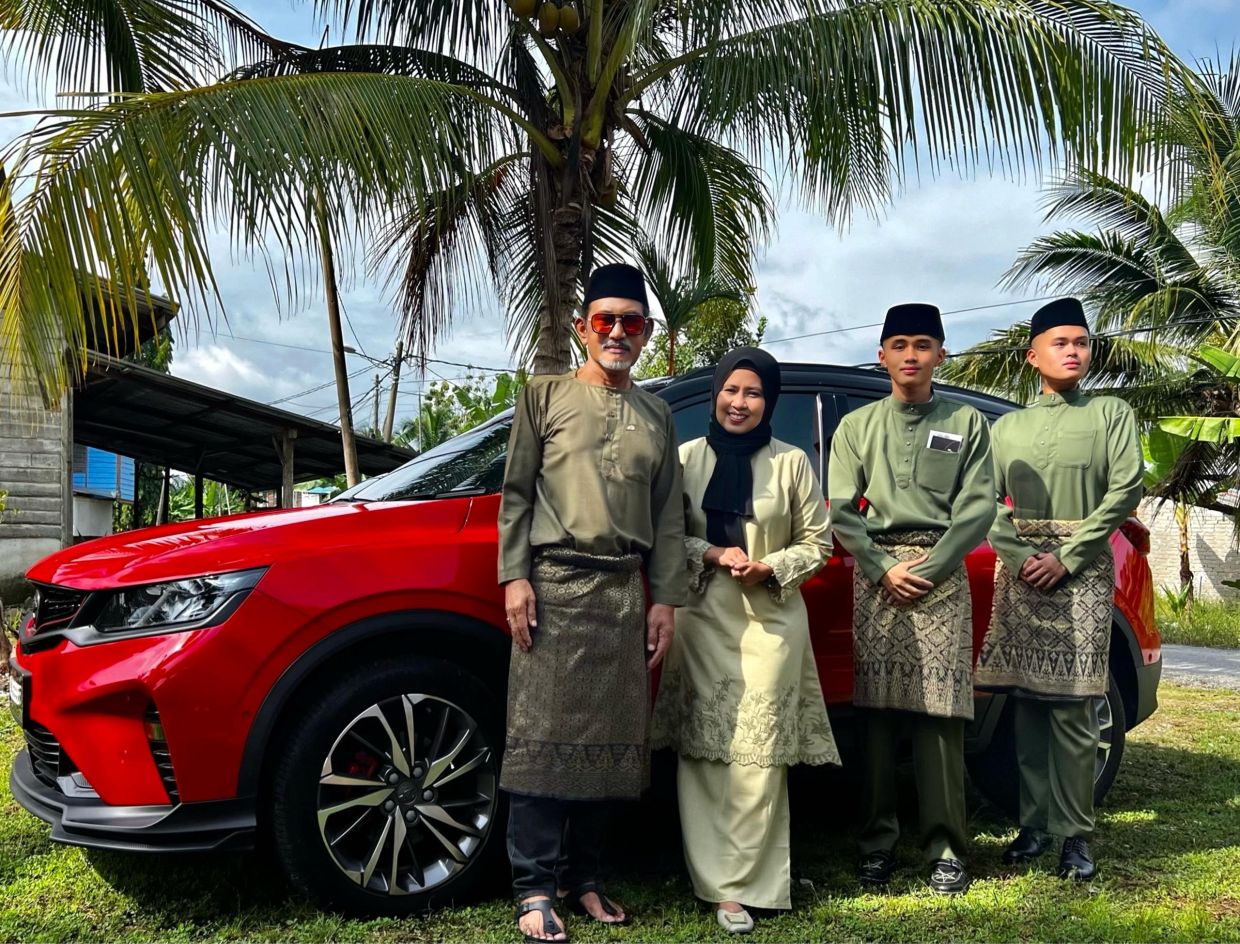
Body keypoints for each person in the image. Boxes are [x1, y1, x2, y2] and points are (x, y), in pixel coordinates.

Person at [498, 263, 687, 942]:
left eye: (630, 323)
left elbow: (667, 518)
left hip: (622, 594)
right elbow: (515, 495)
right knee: (542, 739)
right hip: (553, 586)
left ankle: (587, 881)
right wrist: (514, 577)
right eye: (604, 320)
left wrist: (664, 598)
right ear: (582, 328)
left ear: (645, 334)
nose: (616, 332)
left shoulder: (658, 413)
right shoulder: (543, 396)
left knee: (612, 745)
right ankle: (533, 887)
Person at [652, 348, 839, 934]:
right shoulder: (684, 459)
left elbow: (819, 543)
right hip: (703, 616)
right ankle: (722, 887)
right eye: (731, 390)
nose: (740, 402)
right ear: (716, 394)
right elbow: (668, 539)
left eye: (753, 393)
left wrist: (771, 565)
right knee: (706, 753)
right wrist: (710, 552)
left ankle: (757, 878)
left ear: (769, 402)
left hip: (771, 620)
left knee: (759, 756)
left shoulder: (791, 464)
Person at [827, 303, 995, 895]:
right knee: (876, 715)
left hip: (940, 575)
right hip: (877, 577)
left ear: (940, 354)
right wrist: (878, 567)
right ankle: (877, 844)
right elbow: (843, 509)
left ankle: (946, 848)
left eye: (923, 344)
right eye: (899, 344)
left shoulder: (966, 422)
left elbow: (977, 507)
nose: (911, 355)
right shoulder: (858, 427)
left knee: (939, 717)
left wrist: (936, 564)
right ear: (882, 355)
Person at [975, 297, 1143, 881]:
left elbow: (1124, 491)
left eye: (1081, 342)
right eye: (1061, 342)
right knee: (1026, 702)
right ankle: (1033, 824)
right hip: (1020, 575)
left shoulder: (1111, 415)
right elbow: (984, 503)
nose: (1074, 351)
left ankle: (1075, 836)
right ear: (1033, 355)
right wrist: (1022, 557)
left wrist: (1067, 557)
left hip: (1082, 575)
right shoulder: (1007, 428)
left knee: (1074, 705)